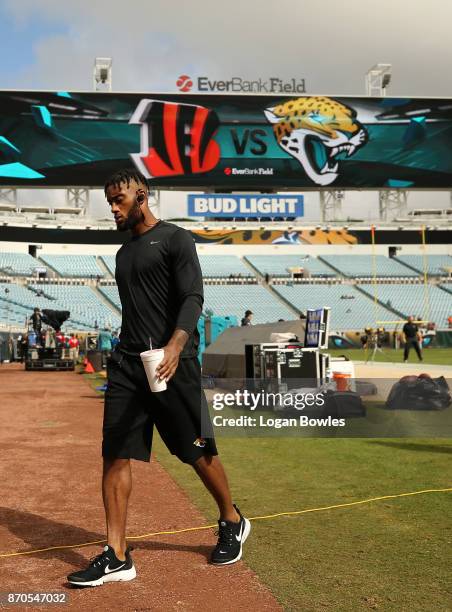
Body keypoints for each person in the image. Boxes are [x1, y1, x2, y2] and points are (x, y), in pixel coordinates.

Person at [67, 169, 250, 587]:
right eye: (109, 201)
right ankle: (116, 554)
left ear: (142, 195)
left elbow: (192, 297)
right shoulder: (123, 254)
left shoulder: (175, 239)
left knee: (196, 451)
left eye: (119, 200)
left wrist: (174, 346)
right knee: (115, 453)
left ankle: (231, 518)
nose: (113, 208)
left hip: (174, 363)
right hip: (129, 365)